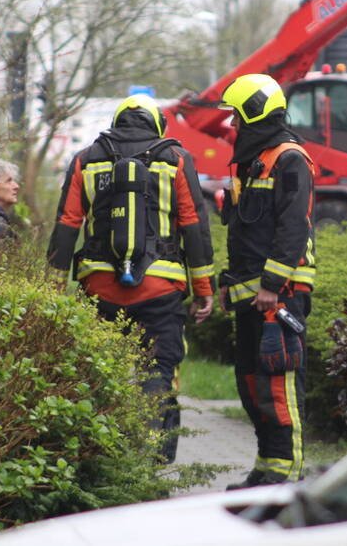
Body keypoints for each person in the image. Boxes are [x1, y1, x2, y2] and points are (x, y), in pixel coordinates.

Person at [46, 94, 215, 462]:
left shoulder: (85, 159)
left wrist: (53, 286)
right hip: (160, 288)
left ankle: (100, 460)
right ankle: (153, 459)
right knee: (158, 370)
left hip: (98, 289)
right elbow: (193, 226)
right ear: (157, 124)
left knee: (98, 373)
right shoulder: (176, 159)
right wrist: (204, 289)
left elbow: (66, 224)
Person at [217, 73, 316, 489]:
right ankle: (267, 467)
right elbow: (245, 231)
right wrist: (230, 282)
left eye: (236, 119)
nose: (231, 128)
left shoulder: (291, 159)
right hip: (252, 295)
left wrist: (273, 284)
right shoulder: (251, 161)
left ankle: (288, 478)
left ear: (254, 113)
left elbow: (293, 228)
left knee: (278, 383)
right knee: (251, 382)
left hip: (281, 296)